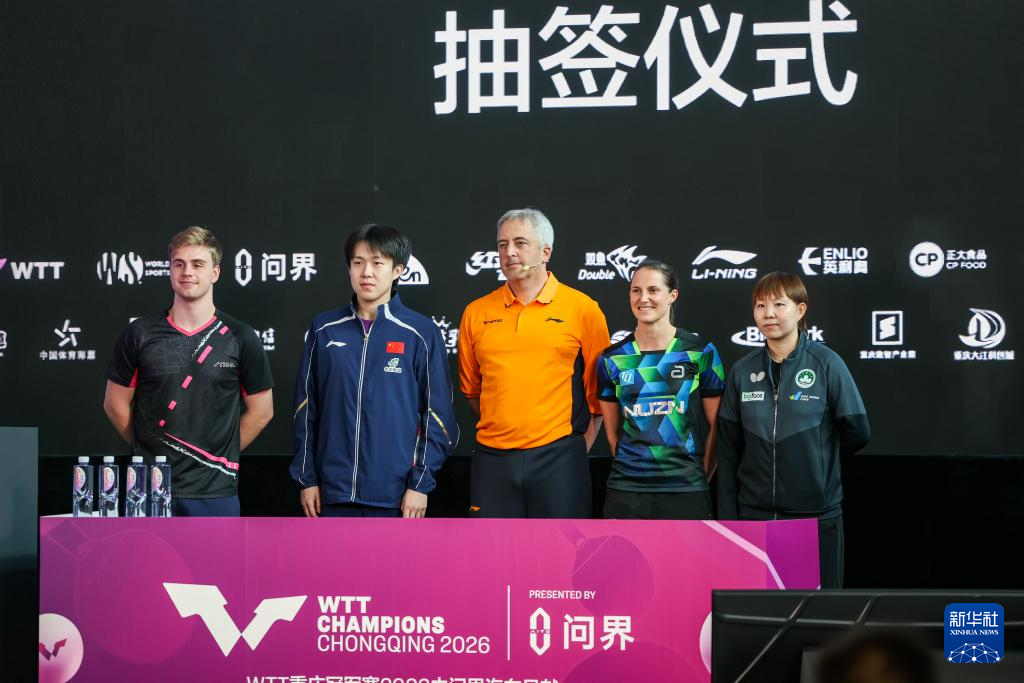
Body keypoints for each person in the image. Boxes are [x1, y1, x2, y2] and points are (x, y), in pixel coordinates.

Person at [103, 226, 274, 516]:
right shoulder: (140, 333)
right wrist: (150, 447)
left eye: (198, 264)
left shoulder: (240, 337)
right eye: (179, 264)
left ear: (215, 273)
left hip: (215, 491)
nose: (187, 272)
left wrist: (217, 456)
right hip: (149, 488)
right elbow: (114, 404)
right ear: (170, 271)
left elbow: (262, 412)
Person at [290, 224, 458, 518]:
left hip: (398, 498)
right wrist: (307, 479)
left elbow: (438, 415)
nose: (366, 272)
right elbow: (305, 409)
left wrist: (420, 484)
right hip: (331, 494)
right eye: (358, 263)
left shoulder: (421, 333)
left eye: (378, 263)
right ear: (349, 269)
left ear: (398, 270)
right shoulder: (324, 328)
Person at [716, 271, 870, 588]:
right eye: (760, 306)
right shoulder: (743, 371)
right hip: (754, 517)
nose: (768, 313)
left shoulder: (826, 363)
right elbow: (729, 450)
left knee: (819, 611)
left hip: (814, 516)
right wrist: (730, 519)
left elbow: (858, 431)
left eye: (779, 304)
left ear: (800, 310)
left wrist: (814, 455)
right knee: (758, 610)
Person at [458, 208, 610, 518]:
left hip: (559, 458)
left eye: (520, 242)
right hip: (492, 461)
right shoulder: (476, 312)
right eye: (502, 244)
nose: (509, 252)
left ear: (546, 251)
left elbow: (599, 395)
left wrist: (575, 450)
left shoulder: (583, 309)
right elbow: (473, 391)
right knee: (491, 547)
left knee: (561, 547)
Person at [596, 260, 725, 519]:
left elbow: (718, 427)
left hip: (686, 489)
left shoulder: (701, 352)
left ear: (672, 295)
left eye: (653, 290)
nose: (643, 298)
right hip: (627, 490)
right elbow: (612, 435)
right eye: (636, 290)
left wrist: (699, 476)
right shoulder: (612, 359)